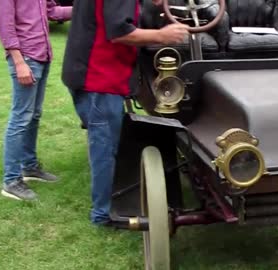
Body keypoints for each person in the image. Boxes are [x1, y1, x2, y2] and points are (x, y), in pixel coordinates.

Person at [62, 0, 189, 225]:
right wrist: (162, 35)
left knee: (103, 139)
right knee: (105, 146)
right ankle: (103, 214)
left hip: (82, 70)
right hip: (99, 77)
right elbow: (120, 32)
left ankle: (107, 203)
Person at [0, 0, 72, 201]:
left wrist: (85, 7)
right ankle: (11, 181)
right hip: (26, 58)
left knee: (34, 115)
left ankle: (29, 166)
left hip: (42, 55)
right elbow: (5, 25)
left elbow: (53, 11)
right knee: (20, 118)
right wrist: (19, 62)